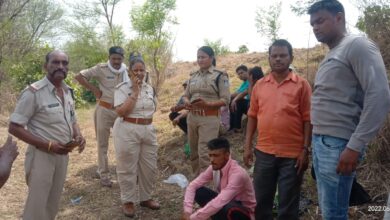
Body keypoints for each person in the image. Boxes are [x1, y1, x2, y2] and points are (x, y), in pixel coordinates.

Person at [308, 1, 390, 219]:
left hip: (338, 144)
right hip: (322, 143)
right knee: (329, 210)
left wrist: (355, 145)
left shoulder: (357, 45)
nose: (315, 27)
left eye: (320, 20)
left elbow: (379, 95)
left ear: (339, 17)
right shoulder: (335, 51)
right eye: (312, 23)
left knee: (334, 213)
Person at [8, 50, 86, 220]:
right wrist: (48, 145)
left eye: (64, 63)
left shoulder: (67, 91)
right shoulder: (33, 92)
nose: (61, 66)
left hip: (63, 155)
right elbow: (14, 127)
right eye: (55, 62)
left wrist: (78, 135)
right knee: (37, 205)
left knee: (52, 203)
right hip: (42, 156)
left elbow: (72, 119)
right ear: (46, 66)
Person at [244, 39, 312, 220]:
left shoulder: (302, 84)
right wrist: (247, 146)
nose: (278, 59)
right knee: (260, 201)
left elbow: (308, 119)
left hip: (292, 155)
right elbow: (252, 116)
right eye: (274, 56)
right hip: (264, 152)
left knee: (288, 206)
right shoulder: (260, 85)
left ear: (291, 58)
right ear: (269, 58)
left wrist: (305, 150)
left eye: (283, 55)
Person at [113, 52, 160, 218]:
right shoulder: (122, 88)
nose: (139, 73)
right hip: (127, 129)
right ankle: (128, 201)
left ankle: (146, 198)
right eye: (136, 70)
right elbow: (121, 111)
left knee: (149, 167)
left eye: (142, 70)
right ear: (130, 71)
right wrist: (134, 91)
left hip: (148, 129)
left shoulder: (150, 89)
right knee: (127, 167)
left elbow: (153, 108)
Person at [75, 46, 127, 187]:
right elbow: (79, 76)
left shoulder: (127, 72)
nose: (116, 61)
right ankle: (103, 174)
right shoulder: (101, 68)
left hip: (121, 112)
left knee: (123, 143)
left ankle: (123, 172)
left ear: (123, 59)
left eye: (119, 59)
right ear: (109, 57)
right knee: (102, 144)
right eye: (113, 58)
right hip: (104, 110)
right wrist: (94, 89)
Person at [182, 46, 230, 175]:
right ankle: (198, 183)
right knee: (194, 153)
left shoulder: (220, 75)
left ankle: (208, 186)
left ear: (211, 58)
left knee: (205, 153)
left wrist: (207, 104)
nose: (200, 60)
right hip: (192, 118)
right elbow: (186, 95)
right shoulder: (193, 75)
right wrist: (186, 102)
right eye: (198, 57)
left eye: (203, 57)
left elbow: (226, 100)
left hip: (209, 119)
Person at [181, 137, 256, 220]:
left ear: (227, 155)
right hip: (226, 204)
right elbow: (192, 186)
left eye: (216, 156)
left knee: (226, 207)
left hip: (244, 213)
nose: (212, 160)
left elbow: (220, 201)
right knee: (198, 190)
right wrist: (187, 211)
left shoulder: (238, 174)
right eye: (210, 155)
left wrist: (194, 218)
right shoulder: (214, 167)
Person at [229, 65, 250, 133]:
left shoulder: (250, 81)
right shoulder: (243, 84)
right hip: (248, 105)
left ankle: (237, 127)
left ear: (247, 71)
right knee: (232, 101)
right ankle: (232, 126)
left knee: (238, 101)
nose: (240, 75)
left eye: (242, 73)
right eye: (239, 74)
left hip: (252, 105)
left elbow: (238, 94)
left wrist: (225, 98)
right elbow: (236, 92)